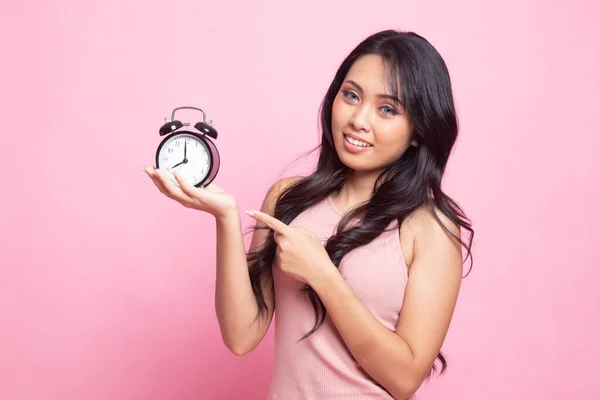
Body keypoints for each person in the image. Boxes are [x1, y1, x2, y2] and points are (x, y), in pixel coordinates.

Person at [144, 29, 474, 400]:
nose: (359, 120)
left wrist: (323, 275)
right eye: (351, 96)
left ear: (418, 131)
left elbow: (403, 380)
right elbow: (240, 336)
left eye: (387, 109)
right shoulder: (288, 199)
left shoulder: (430, 229)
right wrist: (226, 217)